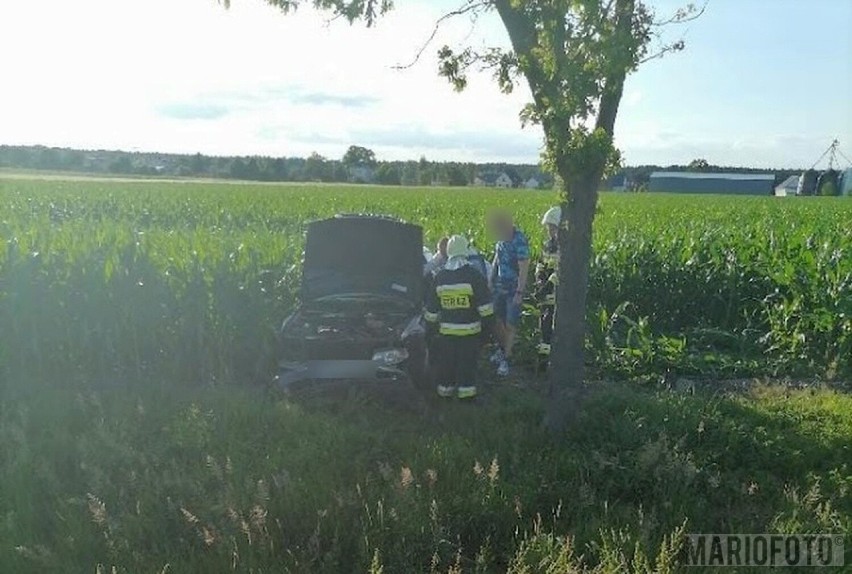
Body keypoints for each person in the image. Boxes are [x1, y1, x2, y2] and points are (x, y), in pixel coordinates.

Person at [424, 235, 494, 399]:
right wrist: (486, 334)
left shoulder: (440, 278)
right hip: (470, 335)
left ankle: (444, 396)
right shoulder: (474, 276)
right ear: (465, 251)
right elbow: (486, 310)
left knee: (446, 367)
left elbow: (431, 312)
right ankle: (466, 401)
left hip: (446, 335)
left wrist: (430, 335)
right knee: (467, 368)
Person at [487, 210, 530, 377]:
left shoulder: (519, 241)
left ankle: (507, 358)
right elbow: (496, 259)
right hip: (500, 286)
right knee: (498, 320)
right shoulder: (500, 240)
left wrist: (520, 291)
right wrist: (490, 279)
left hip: (513, 288)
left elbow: (524, 267)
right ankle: (501, 349)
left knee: (511, 324)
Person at [534, 206, 561, 362]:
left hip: (558, 295)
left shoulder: (566, 247)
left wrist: (548, 286)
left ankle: (551, 359)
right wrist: (538, 278)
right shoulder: (547, 245)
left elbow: (561, 271)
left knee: (553, 326)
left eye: (553, 227)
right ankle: (543, 360)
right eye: (549, 227)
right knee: (543, 325)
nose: (550, 230)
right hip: (546, 293)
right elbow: (541, 263)